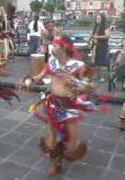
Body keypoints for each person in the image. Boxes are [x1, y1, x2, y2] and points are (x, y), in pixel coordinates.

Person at [20, 35, 99, 176]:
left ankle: (65, 149)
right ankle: (56, 162)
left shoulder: (78, 66)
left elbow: (90, 88)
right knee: (50, 140)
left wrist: (77, 83)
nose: (52, 47)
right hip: (53, 105)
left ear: (63, 47)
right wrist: (29, 81)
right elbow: (39, 77)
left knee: (71, 145)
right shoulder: (51, 62)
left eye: (55, 45)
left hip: (69, 107)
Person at [91, 13, 110, 82]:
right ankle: (97, 75)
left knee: (102, 62)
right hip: (95, 45)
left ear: (102, 19)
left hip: (103, 45)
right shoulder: (96, 26)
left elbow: (107, 36)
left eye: (99, 18)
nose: (97, 20)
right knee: (96, 61)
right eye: (96, 18)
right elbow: (94, 35)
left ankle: (102, 77)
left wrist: (97, 37)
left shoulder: (105, 26)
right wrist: (92, 37)